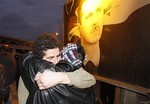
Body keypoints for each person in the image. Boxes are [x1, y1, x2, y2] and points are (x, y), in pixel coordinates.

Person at [18, 33, 96, 104]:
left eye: (58, 56)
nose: (56, 61)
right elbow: (23, 98)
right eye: (50, 58)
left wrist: (60, 77)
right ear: (39, 59)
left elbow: (90, 79)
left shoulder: (65, 65)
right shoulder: (29, 70)